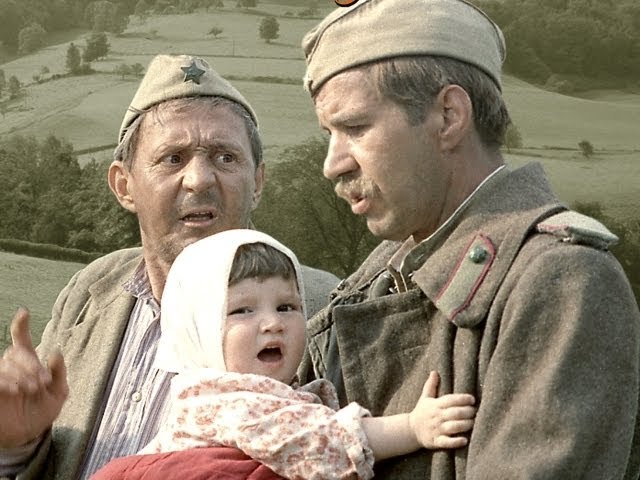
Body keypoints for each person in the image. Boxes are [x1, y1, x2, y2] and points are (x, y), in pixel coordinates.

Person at [297, 0, 640, 479]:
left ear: (449, 116)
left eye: (354, 127)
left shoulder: (561, 280)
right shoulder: (373, 281)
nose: (332, 164)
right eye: (330, 134)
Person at [0, 54, 339, 480]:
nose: (200, 179)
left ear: (257, 182)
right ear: (124, 186)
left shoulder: (324, 309)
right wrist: (18, 443)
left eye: (225, 157)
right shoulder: (91, 289)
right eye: (173, 158)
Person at [90, 228, 476, 479]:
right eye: (243, 310)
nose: (273, 323)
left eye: (287, 307)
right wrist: (412, 428)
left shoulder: (253, 396)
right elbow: (313, 439)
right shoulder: (224, 402)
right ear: (200, 330)